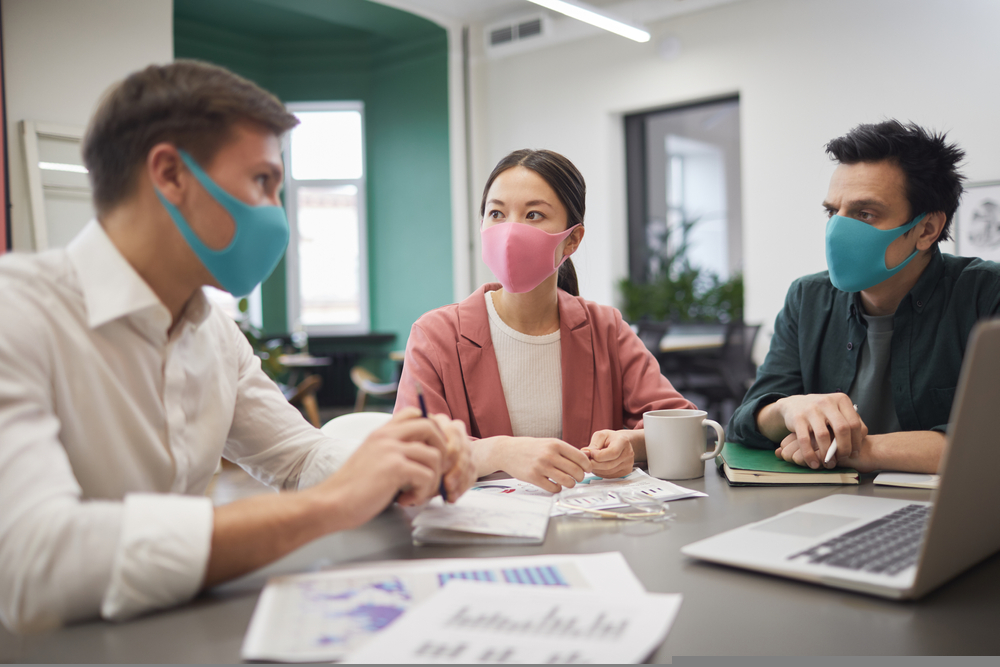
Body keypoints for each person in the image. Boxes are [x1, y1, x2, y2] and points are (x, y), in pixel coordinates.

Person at [0, 61, 475, 633]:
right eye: (263, 182)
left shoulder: (214, 332)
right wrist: (329, 506)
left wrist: (394, 462)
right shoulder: (19, 314)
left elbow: (297, 458)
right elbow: (31, 565)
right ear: (171, 174)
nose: (277, 213)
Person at [395, 149, 695, 492]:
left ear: (572, 239)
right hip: (483, 538)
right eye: (496, 213)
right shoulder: (435, 336)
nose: (510, 232)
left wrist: (631, 444)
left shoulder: (605, 328)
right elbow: (409, 456)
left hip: (590, 531)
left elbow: (683, 424)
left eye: (534, 214)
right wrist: (497, 451)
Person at [729, 120, 1000, 474]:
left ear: (927, 229)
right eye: (832, 211)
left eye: (865, 214)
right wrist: (786, 410)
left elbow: (989, 442)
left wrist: (861, 449)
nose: (838, 230)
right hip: (822, 507)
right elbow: (746, 422)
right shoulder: (808, 298)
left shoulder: (985, 295)